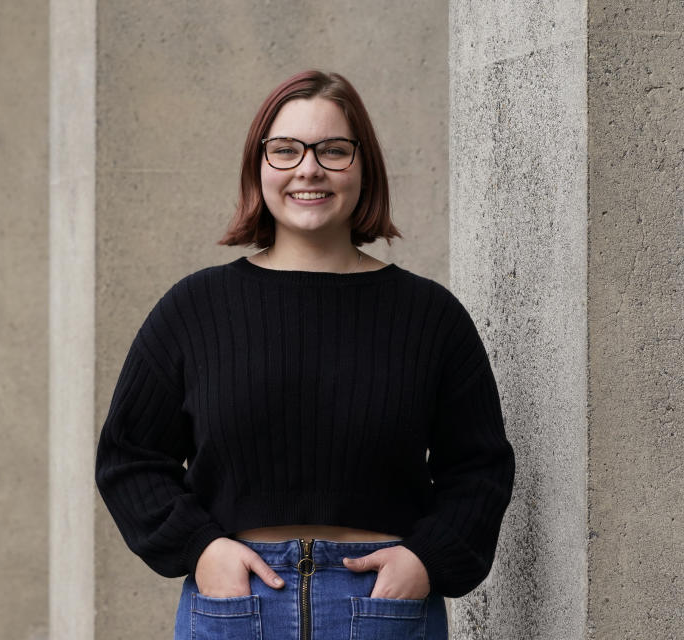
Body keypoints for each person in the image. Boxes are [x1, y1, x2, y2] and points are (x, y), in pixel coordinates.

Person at [94, 69, 515, 640]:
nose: (308, 168)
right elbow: (129, 457)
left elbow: (479, 468)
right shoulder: (195, 308)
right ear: (258, 166)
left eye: (333, 150)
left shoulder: (429, 316)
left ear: (363, 167)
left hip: (383, 610)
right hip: (236, 608)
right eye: (285, 150)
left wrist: (424, 561)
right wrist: (201, 549)